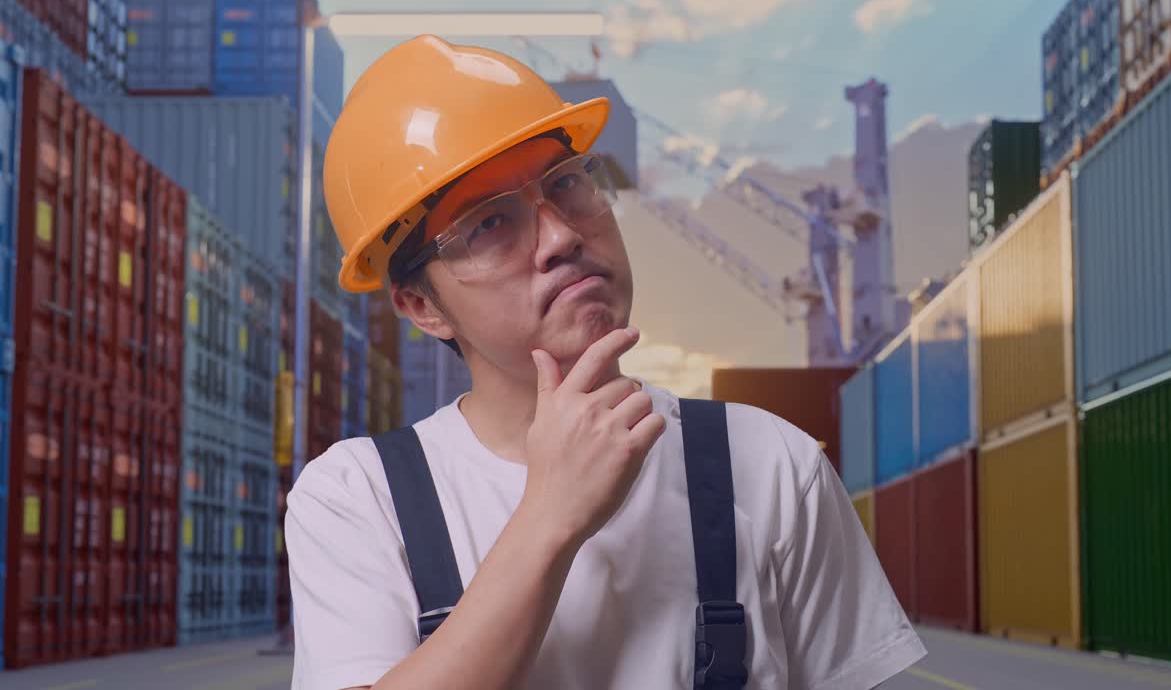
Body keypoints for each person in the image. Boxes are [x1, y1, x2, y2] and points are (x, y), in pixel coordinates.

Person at [284, 34, 925, 690]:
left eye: (565, 185)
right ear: (422, 305)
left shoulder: (772, 467)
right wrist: (550, 514)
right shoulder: (356, 498)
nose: (561, 234)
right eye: (489, 224)